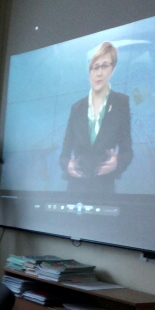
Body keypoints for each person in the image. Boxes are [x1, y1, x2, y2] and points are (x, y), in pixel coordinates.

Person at [59, 41, 133, 195]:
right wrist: (68, 166)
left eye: (104, 66)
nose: (99, 73)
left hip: (104, 189)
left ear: (112, 69)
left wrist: (117, 163)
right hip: (75, 189)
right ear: (89, 71)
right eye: (95, 67)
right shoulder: (77, 108)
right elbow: (64, 155)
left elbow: (127, 151)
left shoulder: (121, 103)